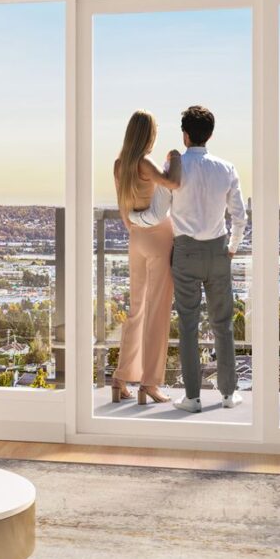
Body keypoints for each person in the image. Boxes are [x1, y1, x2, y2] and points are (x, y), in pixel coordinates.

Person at [165, 105, 247, 412]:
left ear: (185, 135)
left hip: (185, 252)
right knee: (222, 324)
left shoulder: (176, 166)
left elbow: (161, 209)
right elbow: (239, 216)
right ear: (209, 135)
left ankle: (193, 397)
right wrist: (232, 247)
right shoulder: (226, 168)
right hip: (218, 250)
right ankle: (228, 393)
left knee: (188, 325)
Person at [110, 111, 179, 405]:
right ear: (148, 134)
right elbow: (172, 184)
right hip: (158, 237)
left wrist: (135, 227)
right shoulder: (144, 163)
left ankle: (120, 379)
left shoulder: (119, 165)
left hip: (135, 237)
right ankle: (149, 384)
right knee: (158, 312)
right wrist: (175, 157)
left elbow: (124, 211)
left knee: (136, 310)